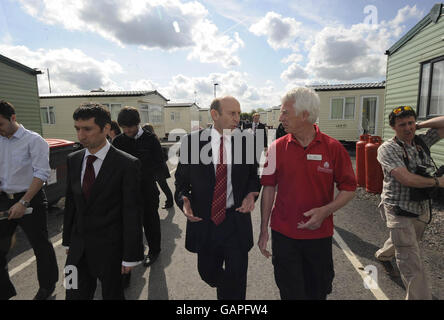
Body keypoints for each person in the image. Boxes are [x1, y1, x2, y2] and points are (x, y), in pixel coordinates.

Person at [258, 88, 356, 300]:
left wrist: (325, 211)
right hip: (284, 236)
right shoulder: (276, 148)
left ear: (305, 115)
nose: (280, 118)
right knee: (289, 293)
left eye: (285, 112)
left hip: (318, 238)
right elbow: (268, 188)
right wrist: (263, 229)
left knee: (317, 292)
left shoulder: (334, 148)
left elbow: (349, 188)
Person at [175, 96, 261, 300]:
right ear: (215, 114)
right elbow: (181, 182)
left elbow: (253, 177)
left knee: (237, 278)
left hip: (235, 221)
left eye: (239, 113)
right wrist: (184, 200)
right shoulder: (191, 142)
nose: (237, 118)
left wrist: (251, 194)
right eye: (233, 113)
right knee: (208, 273)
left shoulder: (246, 141)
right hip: (205, 222)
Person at [63, 103, 144, 300]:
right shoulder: (73, 159)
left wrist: (131, 255)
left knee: (113, 295)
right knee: (72, 293)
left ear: (106, 128)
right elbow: (72, 204)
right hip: (77, 251)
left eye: (87, 129)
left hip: (112, 252)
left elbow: (131, 212)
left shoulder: (127, 164)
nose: (81, 135)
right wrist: (67, 241)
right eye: (77, 129)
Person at [374, 106, 444, 300]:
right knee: (411, 261)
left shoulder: (421, 141)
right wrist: (439, 182)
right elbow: (407, 179)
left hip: (420, 207)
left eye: (411, 123)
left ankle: (382, 255)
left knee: (405, 242)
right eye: (402, 125)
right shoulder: (388, 149)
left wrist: (420, 125)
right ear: (393, 127)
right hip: (399, 208)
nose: (408, 128)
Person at [0, 100, 59, 300]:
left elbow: (41, 174)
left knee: (40, 245)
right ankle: (4, 291)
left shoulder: (34, 140)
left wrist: (23, 202)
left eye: (0, 124)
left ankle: (47, 286)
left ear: (13, 118)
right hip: (3, 199)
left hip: (29, 199)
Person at [113, 108, 164, 271]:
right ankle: (131, 257)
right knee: (129, 224)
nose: (127, 130)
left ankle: (154, 250)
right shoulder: (118, 141)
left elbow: (159, 163)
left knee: (151, 222)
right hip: (126, 193)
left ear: (138, 123)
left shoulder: (150, 139)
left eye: (130, 127)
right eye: (123, 127)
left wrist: (145, 172)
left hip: (148, 190)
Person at [142, 123, 174, 209]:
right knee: (161, 186)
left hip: (158, 169)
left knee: (163, 186)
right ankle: (168, 202)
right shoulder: (153, 138)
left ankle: (170, 202)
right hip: (157, 168)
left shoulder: (151, 139)